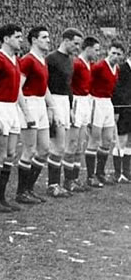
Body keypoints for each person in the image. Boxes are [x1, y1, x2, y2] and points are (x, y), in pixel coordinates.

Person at [0, 24, 33, 213]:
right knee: (0, 155)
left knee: (10, 154)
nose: (21, 39)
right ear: (6, 39)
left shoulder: (16, 60)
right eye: (17, 36)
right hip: (0, 107)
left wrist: (25, 111)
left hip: (12, 108)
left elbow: (18, 89)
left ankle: (1, 198)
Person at [16, 26, 61, 204]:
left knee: (44, 150)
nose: (48, 40)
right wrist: (26, 111)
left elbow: (45, 87)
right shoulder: (27, 60)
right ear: (34, 40)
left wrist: (53, 108)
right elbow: (18, 87)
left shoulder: (42, 60)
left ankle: (29, 188)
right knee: (29, 149)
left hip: (41, 104)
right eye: (44, 37)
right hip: (29, 103)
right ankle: (21, 192)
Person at [45, 28, 83, 197]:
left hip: (64, 104)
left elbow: (68, 87)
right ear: (65, 40)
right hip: (52, 100)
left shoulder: (70, 60)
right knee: (57, 146)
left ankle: (60, 183)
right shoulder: (51, 59)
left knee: (63, 145)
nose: (77, 47)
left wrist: (70, 109)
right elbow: (43, 84)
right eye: (75, 43)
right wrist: (49, 107)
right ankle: (52, 185)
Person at [63, 36, 101, 190]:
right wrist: (71, 107)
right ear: (88, 48)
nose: (98, 53)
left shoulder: (90, 65)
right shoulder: (76, 64)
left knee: (80, 144)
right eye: (96, 50)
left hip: (86, 102)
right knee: (72, 142)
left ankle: (75, 178)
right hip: (77, 102)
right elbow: (68, 85)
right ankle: (68, 180)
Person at [85, 40, 125, 185]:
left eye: (118, 54)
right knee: (94, 139)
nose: (115, 56)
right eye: (113, 53)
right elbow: (87, 83)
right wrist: (88, 104)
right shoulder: (99, 66)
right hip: (96, 101)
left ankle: (100, 173)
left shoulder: (118, 69)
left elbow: (114, 90)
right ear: (108, 51)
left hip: (108, 103)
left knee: (107, 140)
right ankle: (90, 177)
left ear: (122, 56)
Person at [112, 53, 131, 183]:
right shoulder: (122, 69)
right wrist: (117, 110)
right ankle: (118, 173)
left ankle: (126, 172)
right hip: (124, 109)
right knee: (121, 140)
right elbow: (116, 91)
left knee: (130, 142)